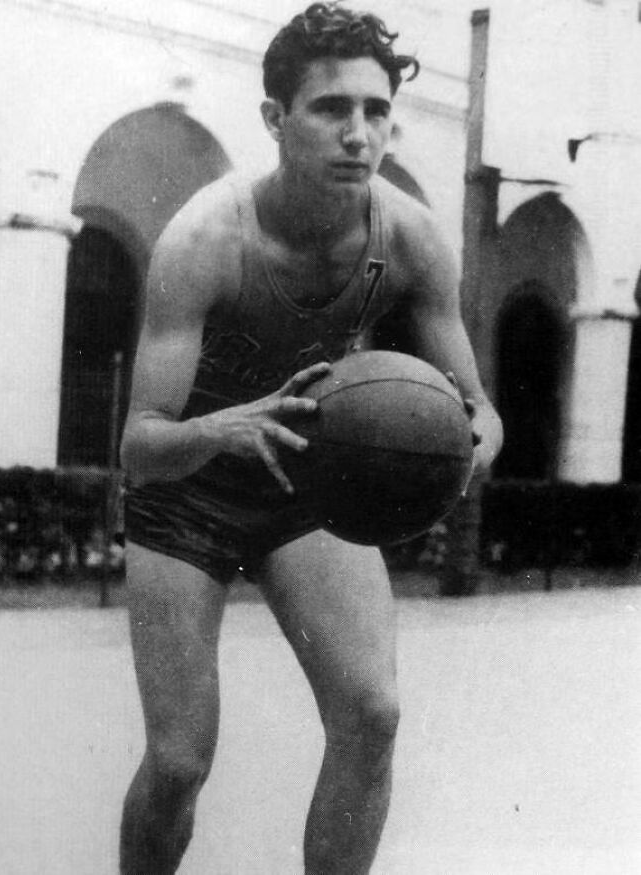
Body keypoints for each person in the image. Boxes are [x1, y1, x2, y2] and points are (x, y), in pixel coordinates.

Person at [118, 3, 503, 873]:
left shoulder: (409, 238)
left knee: (373, 712)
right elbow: (139, 445)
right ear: (276, 119)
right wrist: (224, 426)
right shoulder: (205, 240)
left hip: (306, 485)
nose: (359, 135)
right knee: (180, 761)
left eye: (375, 111)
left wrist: (460, 447)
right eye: (332, 109)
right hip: (189, 488)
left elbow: (482, 411)